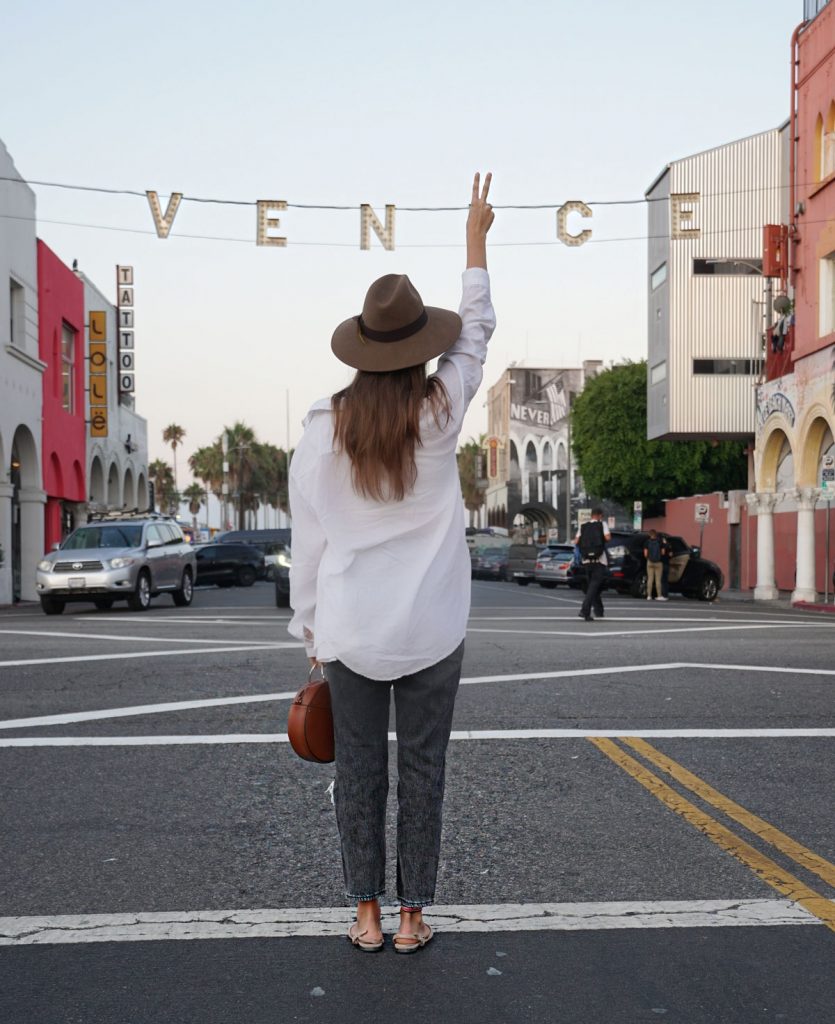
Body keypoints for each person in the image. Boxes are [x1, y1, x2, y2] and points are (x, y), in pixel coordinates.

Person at [288, 172, 496, 954]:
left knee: (360, 776)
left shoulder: (321, 431)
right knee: (423, 772)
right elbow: (475, 332)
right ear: (417, 350)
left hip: (350, 628)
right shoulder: (438, 414)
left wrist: (310, 630)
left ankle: (365, 915)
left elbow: (309, 545)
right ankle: (413, 918)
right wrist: (475, 237)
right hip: (433, 629)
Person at [574, 509, 611, 621]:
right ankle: (584, 610)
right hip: (599, 560)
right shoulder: (602, 524)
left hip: (586, 561)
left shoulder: (583, 526)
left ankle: (599, 610)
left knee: (593, 586)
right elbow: (608, 538)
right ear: (600, 516)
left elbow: (576, 541)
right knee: (594, 586)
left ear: (591, 516)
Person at [644, 528, 665, 601]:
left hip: (650, 562)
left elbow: (645, 554)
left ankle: (649, 596)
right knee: (658, 580)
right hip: (658, 562)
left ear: (650, 534)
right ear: (656, 534)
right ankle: (659, 596)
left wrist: (649, 558)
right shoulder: (660, 542)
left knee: (650, 579)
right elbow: (663, 553)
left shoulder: (647, 542)